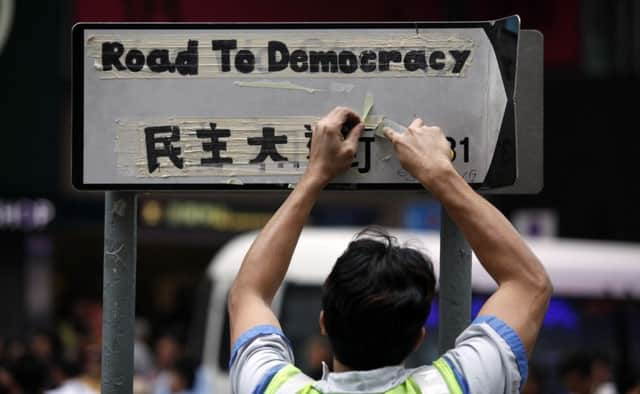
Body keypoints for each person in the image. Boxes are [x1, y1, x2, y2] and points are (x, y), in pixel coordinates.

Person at [227, 107, 553, 393]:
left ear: (324, 323)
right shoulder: (456, 385)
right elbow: (528, 283)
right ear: (418, 338)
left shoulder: (270, 387)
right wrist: (439, 174)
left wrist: (315, 175)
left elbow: (249, 293)